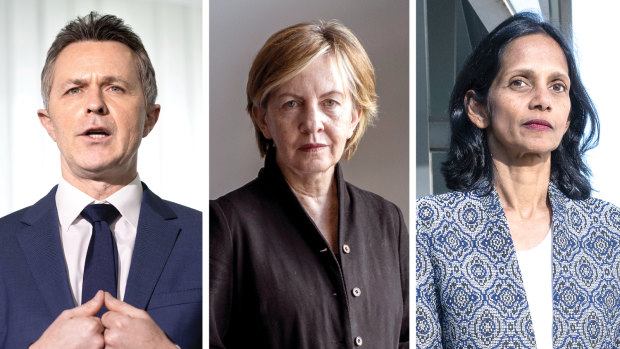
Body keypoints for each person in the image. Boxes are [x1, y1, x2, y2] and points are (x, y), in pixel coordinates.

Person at [416, 12, 620, 348]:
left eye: (557, 86)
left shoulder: (609, 232)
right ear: (478, 108)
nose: (542, 100)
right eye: (519, 82)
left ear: (568, 117)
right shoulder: (432, 226)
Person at [0, 12, 201, 348]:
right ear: (48, 123)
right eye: (75, 89)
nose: (94, 104)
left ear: (150, 118)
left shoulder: (206, 238)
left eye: (115, 87)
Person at [210, 20, 408, 348]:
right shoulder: (228, 226)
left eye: (331, 102)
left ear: (355, 115)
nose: (312, 123)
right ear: (263, 120)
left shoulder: (388, 221)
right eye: (291, 104)